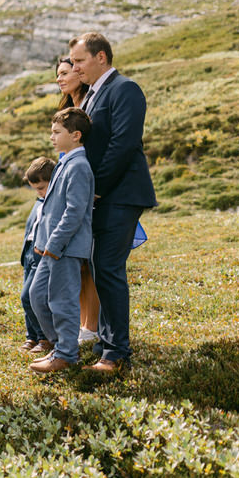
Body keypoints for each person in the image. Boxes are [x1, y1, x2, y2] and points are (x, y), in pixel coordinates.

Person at [69, 32, 156, 374]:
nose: (74, 68)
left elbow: (123, 143)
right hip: (104, 196)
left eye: (79, 61)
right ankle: (107, 344)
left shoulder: (125, 89)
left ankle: (117, 354)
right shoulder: (92, 94)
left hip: (120, 194)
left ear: (101, 57)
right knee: (99, 267)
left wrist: (96, 189)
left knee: (108, 268)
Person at [29, 108, 96, 374]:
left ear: (76, 135)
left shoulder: (79, 166)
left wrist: (54, 244)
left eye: (57, 132)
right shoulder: (65, 161)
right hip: (50, 247)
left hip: (64, 248)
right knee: (37, 295)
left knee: (62, 300)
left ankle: (67, 354)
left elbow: (74, 212)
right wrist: (42, 239)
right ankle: (61, 346)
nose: (52, 137)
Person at [56, 55, 100, 344]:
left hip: (84, 190)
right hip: (67, 183)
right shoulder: (65, 109)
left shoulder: (87, 107)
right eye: (57, 74)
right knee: (80, 263)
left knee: (89, 260)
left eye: (64, 73)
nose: (59, 79)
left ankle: (92, 325)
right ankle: (85, 324)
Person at [18, 157, 57, 355]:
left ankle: (45, 337)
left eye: (42, 187)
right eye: (36, 189)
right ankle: (31, 336)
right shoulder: (40, 201)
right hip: (29, 253)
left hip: (42, 253)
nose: (39, 192)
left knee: (30, 296)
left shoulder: (54, 202)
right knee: (25, 295)